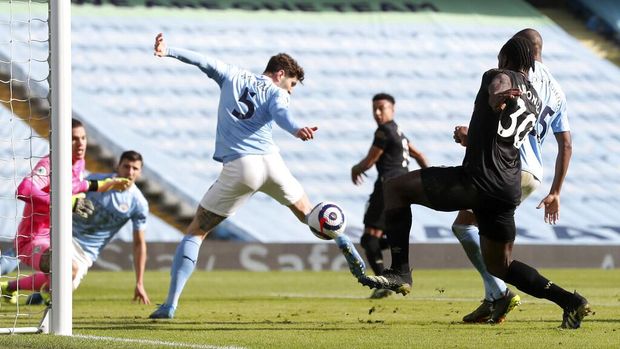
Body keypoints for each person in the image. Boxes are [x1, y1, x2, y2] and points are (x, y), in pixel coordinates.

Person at [359, 37, 590, 329]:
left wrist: (496, 96)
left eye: (499, 59)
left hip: (478, 180)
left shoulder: (498, 76)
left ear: (505, 58)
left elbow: (498, 88)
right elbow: (502, 138)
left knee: (394, 188)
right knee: (501, 265)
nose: (496, 64)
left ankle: (400, 271)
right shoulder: (534, 97)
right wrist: (475, 134)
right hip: (506, 189)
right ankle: (571, 302)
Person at [149, 33, 366, 319]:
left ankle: (170, 304)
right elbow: (280, 114)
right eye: (291, 86)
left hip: (242, 166)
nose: (289, 92)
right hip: (272, 163)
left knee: (196, 232)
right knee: (309, 214)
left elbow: (202, 61)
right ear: (280, 74)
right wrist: (296, 129)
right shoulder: (276, 93)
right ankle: (342, 240)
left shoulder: (231, 74)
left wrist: (168, 51)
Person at [451, 28, 573, 324]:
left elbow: (506, 123)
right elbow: (566, 143)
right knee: (482, 235)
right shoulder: (557, 91)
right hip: (533, 174)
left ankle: (499, 293)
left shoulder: (518, 76)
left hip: (507, 166)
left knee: (465, 227)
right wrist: (556, 191)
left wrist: (473, 136)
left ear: (522, 53)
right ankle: (494, 294)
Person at [1, 119, 129, 304]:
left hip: (55, 236)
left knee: (70, 271)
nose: (81, 144)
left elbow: (77, 184)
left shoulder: (78, 163)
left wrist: (106, 184)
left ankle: (11, 288)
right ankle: (48, 304)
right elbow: (24, 189)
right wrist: (66, 203)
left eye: (83, 138)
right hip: (32, 239)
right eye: (74, 139)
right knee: (65, 270)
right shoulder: (49, 163)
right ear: (61, 140)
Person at [351, 93, 428, 299]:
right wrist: (429, 177)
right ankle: (393, 268)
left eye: (381, 108)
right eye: (374, 109)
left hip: (388, 187)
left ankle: (384, 282)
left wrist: (355, 169)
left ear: (392, 109)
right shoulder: (399, 132)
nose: (377, 113)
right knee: (385, 237)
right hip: (405, 188)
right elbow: (419, 155)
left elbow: (369, 161)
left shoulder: (384, 131)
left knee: (369, 239)